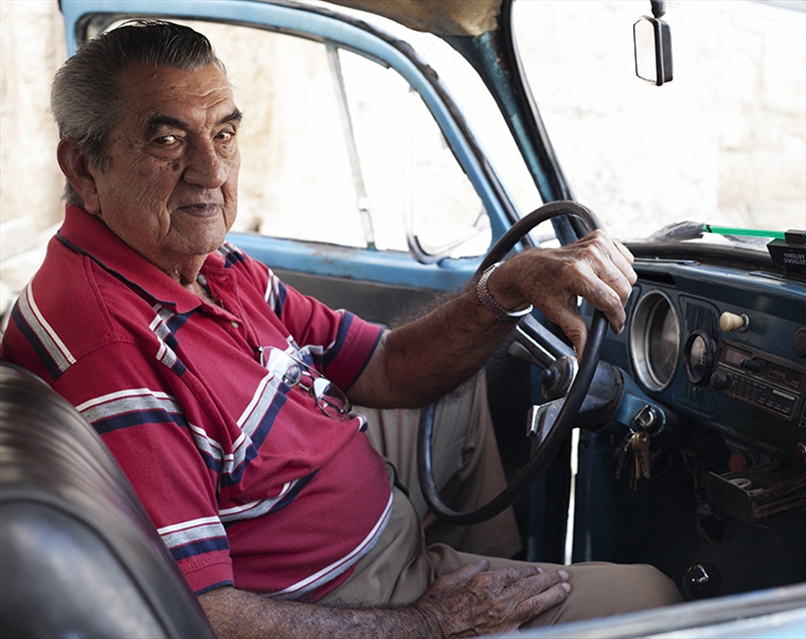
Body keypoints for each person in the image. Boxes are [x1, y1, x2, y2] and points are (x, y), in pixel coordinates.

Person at [0, 20, 681, 638]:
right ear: (84, 169)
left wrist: (501, 289)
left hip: (349, 526)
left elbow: (381, 365)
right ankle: (482, 606)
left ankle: (497, 580)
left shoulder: (207, 263)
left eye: (225, 134)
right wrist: (432, 619)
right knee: (654, 594)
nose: (211, 172)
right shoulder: (113, 348)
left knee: (458, 382)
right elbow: (208, 616)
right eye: (168, 140)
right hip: (350, 598)